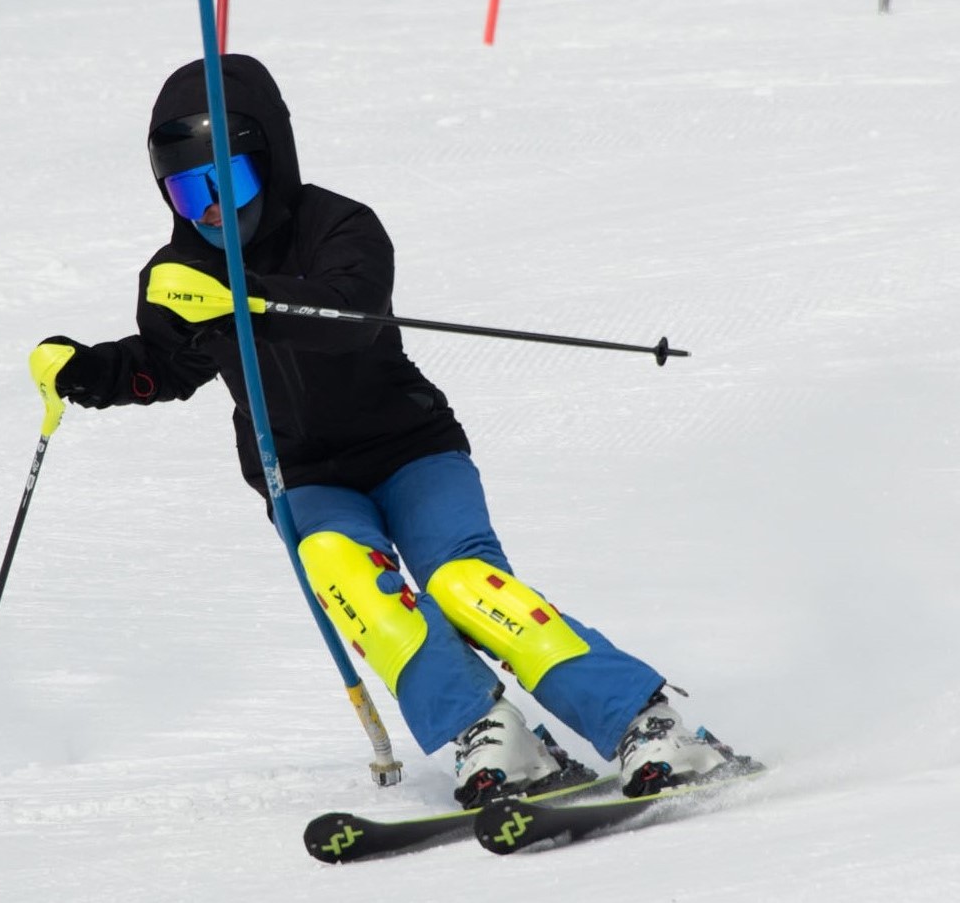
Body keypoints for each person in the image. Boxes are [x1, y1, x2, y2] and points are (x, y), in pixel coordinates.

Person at [42, 53, 749, 805]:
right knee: (355, 583)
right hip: (303, 476)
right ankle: (490, 733)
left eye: (229, 182)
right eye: (189, 192)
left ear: (272, 162)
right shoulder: (176, 274)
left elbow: (346, 315)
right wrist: (87, 371)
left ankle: (646, 721)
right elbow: (165, 363)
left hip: (410, 450)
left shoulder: (339, 226)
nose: (211, 210)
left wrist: (245, 300)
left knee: (464, 585)